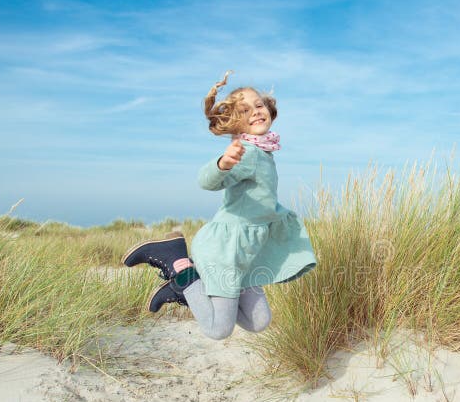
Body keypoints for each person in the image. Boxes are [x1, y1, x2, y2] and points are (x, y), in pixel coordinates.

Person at [122, 71, 316, 340]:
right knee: (218, 329)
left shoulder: (265, 152)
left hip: (245, 257)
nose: (257, 112)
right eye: (245, 110)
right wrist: (222, 164)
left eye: (259, 105)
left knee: (259, 321)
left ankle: (183, 278)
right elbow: (206, 180)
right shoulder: (246, 153)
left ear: (269, 108)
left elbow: (263, 204)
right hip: (224, 252)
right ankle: (181, 271)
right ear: (235, 123)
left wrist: (283, 219)